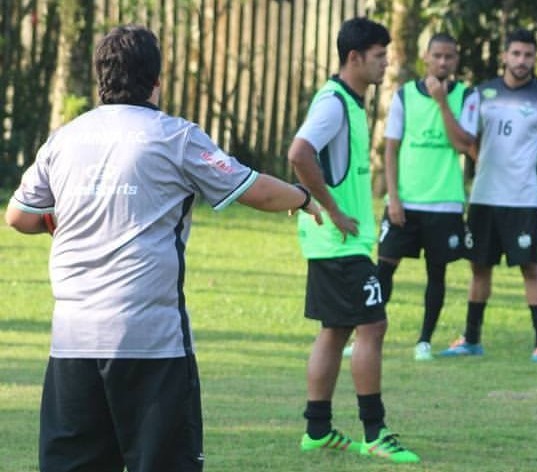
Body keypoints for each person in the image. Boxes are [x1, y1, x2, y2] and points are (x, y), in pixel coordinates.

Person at [4, 25, 322, 472]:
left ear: (100, 78)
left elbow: (19, 216)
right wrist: (303, 198)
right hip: (149, 341)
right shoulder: (175, 136)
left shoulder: (65, 138)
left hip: (72, 340)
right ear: (157, 80)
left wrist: (68, 218)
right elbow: (254, 190)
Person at [287, 17, 419, 463]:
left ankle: (318, 430)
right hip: (339, 241)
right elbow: (298, 152)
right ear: (354, 58)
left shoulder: (349, 102)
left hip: (335, 241)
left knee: (337, 329)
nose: (386, 63)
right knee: (373, 325)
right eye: (380, 56)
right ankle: (374, 432)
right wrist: (334, 208)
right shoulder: (334, 104)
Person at [439, 28, 537, 363]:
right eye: (516, 54)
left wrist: (529, 175)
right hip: (484, 196)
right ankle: (472, 338)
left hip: (523, 199)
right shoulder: (481, 94)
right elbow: (467, 140)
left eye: (528, 55)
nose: (522, 61)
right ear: (504, 56)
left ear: (534, 58)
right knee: (479, 268)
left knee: (530, 268)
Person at [377, 33, 473, 362]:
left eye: (450, 56)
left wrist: (442, 103)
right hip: (406, 201)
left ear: (456, 61)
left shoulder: (466, 96)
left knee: (437, 273)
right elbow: (391, 149)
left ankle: (424, 341)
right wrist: (394, 198)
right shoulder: (404, 96)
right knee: (384, 267)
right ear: (426, 59)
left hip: (444, 202)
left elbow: (463, 145)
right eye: (438, 56)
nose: (443, 62)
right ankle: (366, 333)